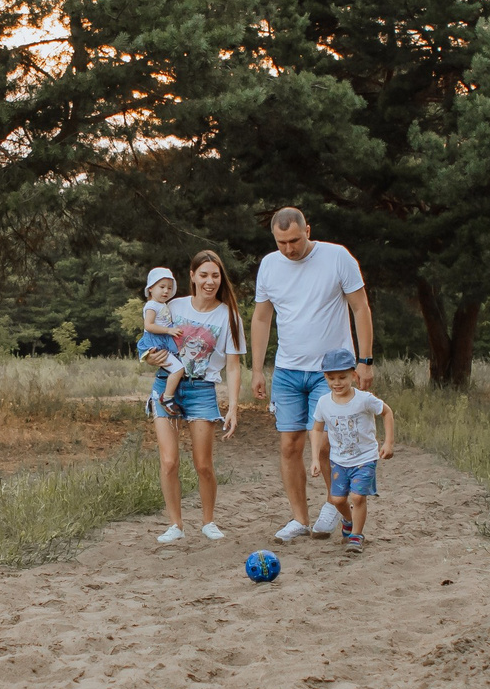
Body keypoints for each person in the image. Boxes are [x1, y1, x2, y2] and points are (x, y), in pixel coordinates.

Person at [247, 206, 375, 544]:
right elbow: (261, 318)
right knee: (290, 446)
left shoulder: (337, 257)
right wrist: (258, 369)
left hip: (330, 371)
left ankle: (334, 505)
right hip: (288, 370)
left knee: (326, 446)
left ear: (308, 230)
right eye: (281, 242)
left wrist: (365, 360)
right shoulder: (270, 266)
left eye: (294, 240)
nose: (289, 249)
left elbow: (360, 307)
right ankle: (299, 519)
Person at [148, 250, 244, 543]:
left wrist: (233, 406)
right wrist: (151, 357)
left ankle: (208, 521)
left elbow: (233, 364)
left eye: (215, 276)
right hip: (167, 386)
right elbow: (152, 337)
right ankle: (175, 524)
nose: (209, 281)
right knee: (169, 461)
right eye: (203, 275)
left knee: (203, 464)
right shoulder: (173, 307)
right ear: (192, 277)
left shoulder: (229, 315)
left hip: (202, 389)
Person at [308, 349, 393, 551]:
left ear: (353, 376)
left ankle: (356, 535)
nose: (337, 383)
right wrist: (314, 459)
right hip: (339, 460)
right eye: (331, 378)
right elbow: (317, 428)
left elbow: (387, 412)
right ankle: (348, 519)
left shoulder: (364, 399)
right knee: (338, 499)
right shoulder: (323, 403)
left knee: (357, 497)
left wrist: (388, 442)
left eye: (342, 377)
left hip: (365, 458)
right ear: (325, 378)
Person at [136, 268, 190, 419]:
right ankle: (166, 398)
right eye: (162, 287)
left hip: (164, 340)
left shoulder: (162, 305)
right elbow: (149, 326)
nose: (166, 291)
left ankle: (156, 398)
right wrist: (168, 330)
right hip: (157, 342)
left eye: (169, 287)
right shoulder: (152, 306)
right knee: (178, 369)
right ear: (151, 288)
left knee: (180, 363)